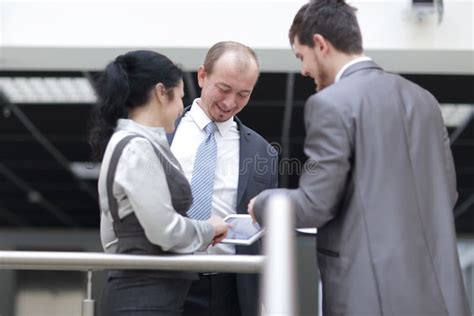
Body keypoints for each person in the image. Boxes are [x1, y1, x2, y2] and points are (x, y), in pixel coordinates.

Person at [248, 1, 471, 315]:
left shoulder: (330, 103)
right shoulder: (425, 102)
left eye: (302, 57)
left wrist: (263, 203)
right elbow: (446, 195)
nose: (304, 71)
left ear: (320, 44)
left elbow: (315, 204)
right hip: (437, 296)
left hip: (368, 296)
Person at [89, 50, 228, 316]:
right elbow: (164, 230)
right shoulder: (137, 148)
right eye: (179, 97)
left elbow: (111, 236)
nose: (181, 108)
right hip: (142, 299)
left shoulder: (135, 143)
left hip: (146, 295)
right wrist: (208, 229)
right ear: (161, 92)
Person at [168, 41, 278, 316]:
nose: (230, 103)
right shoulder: (161, 134)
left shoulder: (263, 152)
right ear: (202, 76)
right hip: (167, 280)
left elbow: (266, 231)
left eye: (243, 94)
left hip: (232, 290)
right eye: (224, 89)